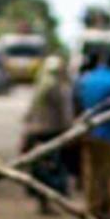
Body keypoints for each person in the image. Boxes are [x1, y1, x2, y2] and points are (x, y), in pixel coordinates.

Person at [75, 49, 110, 219]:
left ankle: (93, 209)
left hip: (88, 132)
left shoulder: (87, 78)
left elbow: (77, 102)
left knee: (92, 173)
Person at [18, 55, 74, 200]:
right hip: (52, 131)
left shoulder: (41, 84)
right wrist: (69, 128)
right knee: (53, 164)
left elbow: (30, 111)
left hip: (36, 131)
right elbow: (64, 111)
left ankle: (39, 193)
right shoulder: (58, 87)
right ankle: (49, 194)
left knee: (39, 163)